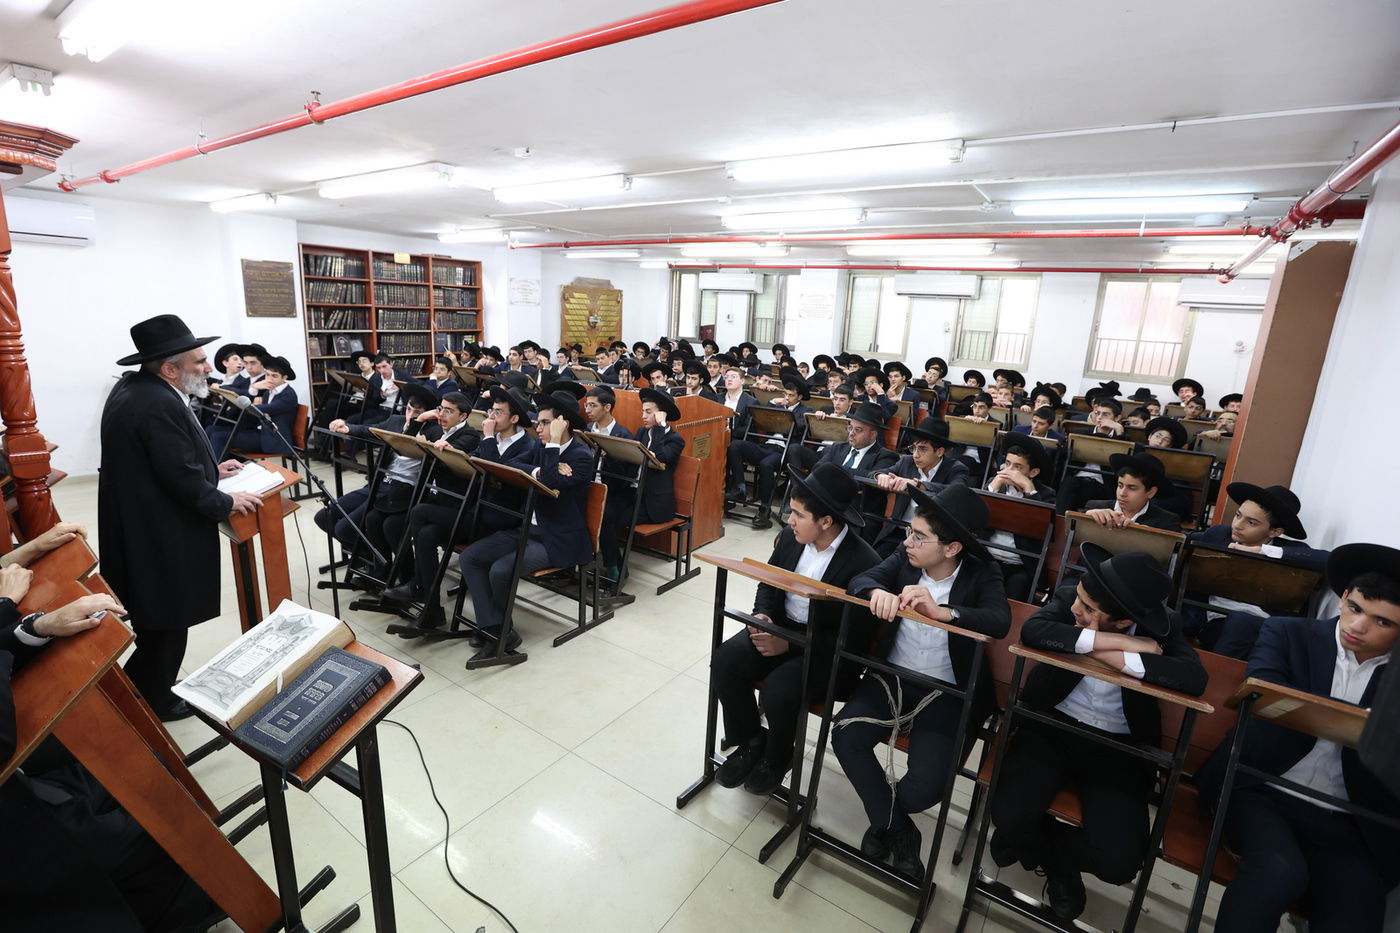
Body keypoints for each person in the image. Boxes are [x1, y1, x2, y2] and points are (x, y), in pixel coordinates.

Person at [989, 543, 1208, 920]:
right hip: (1051, 727)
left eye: (1089, 611)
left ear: (1124, 619)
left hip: (1118, 748)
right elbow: (1036, 630)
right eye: (1079, 601)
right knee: (1007, 815)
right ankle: (1054, 864)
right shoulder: (1073, 596)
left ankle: (1044, 851)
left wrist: (1097, 650)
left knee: (1119, 862)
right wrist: (1125, 644)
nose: (1076, 610)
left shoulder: (1163, 625)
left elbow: (1193, 678)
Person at [1197, 543, 1400, 933]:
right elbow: (1264, 691)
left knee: (1357, 906)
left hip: (1348, 817)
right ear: (1343, 597)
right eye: (1355, 608)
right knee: (1278, 872)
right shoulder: (1289, 632)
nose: (1358, 626)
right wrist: (1367, 725)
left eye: (1383, 622)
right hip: (1262, 789)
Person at [835, 485, 1010, 877]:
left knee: (925, 788)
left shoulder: (983, 572)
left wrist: (945, 613)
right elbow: (862, 579)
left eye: (919, 537)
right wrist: (878, 591)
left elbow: (999, 621)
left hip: (947, 691)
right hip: (893, 677)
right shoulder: (904, 557)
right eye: (909, 532)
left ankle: (885, 819)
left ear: (951, 549)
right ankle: (899, 831)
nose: (907, 541)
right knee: (846, 735)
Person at [101, 315, 263, 721]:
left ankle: (145, 693)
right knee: (165, 619)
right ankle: (149, 701)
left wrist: (212, 470)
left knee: (161, 619)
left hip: (145, 525)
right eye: (199, 362)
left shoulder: (141, 389)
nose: (209, 368)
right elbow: (174, 473)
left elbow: (169, 458)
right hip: (158, 532)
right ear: (170, 368)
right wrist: (223, 503)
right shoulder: (154, 401)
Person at [711, 464, 880, 796]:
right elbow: (768, 582)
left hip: (828, 650)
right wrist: (763, 616)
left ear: (826, 522)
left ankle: (777, 756)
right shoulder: (791, 537)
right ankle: (751, 741)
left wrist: (788, 645)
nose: (788, 520)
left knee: (778, 690)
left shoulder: (864, 562)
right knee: (726, 660)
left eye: (798, 514)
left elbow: (854, 640)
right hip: (784, 629)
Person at [457, 390, 593, 662]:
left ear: (561, 424)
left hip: (554, 538)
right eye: (538, 423)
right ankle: (499, 629)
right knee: (470, 557)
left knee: (499, 571)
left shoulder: (581, 456)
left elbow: (553, 484)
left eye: (544, 423)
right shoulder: (541, 449)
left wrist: (553, 446)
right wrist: (540, 470)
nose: (537, 428)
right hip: (526, 529)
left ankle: (496, 635)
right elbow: (511, 464)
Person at [1182, 483, 1328, 656]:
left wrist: (1263, 551)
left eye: (1251, 522)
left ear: (1274, 532)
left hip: (1250, 626)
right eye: (1238, 515)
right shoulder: (1219, 534)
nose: (1237, 525)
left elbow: (1328, 560)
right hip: (1203, 613)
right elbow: (1183, 537)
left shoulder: (1292, 551)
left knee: (1240, 623)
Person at [597, 388, 684, 587]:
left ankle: (614, 572)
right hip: (632, 492)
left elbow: (660, 457)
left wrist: (661, 426)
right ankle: (615, 566)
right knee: (602, 513)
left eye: (648, 411)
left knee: (608, 519)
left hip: (653, 502)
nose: (643, 416)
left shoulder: (676, 439)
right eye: (642, 411)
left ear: (662, 414)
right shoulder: (642, 432)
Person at [872, 418, 970, 556]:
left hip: (930, 539)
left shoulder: (956, 468)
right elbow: (877, 472)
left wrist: (918, 485)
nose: (915, 454)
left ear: (940, 451)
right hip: (898, 531)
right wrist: (880, 476)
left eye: (922, 449)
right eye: (913, 448)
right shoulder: (906, 461)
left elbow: (958, 491)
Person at [726, 372, 811, 529]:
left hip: (784, 450)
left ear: (799, 397)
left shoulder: (805, 410)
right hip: (767, 446)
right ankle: (740, 487)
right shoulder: (776, 405)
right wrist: (772, 403)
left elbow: (799, 427)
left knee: (766, 464)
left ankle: (765, 509)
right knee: (736, 445)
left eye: (791, 395)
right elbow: (761, 419)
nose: (787, 397)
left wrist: (785, 412)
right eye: (785, 393)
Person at [984, 432, 1057, 600]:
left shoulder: (1045, 494)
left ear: (1033, 472)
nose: (1009, 471)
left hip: (1020, 564)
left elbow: (1043, 530)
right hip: (987, 556)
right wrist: (991, 491)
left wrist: (1029, 491)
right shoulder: (994, 484)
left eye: (1017, 467)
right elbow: (977, 524)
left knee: (1016, 589)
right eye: (1007, 464)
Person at [207, 354, 299, 458]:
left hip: (274, 440)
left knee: (219, 437)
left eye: (274, 376)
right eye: (267, 375)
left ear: (285, 377)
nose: (269, 379)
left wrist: (254, 399)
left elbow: (260, 410)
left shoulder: (288, 395)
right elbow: (255, 413)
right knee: (212, 429)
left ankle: (216, 471)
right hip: (260, 433)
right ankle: (211, 465)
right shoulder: (268, 392)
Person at [1082, 452, 1182, 532]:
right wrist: (1086, 518)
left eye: (1132, 488)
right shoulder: (1094, 507)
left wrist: (1140, 534)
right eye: (1120, 485)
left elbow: (1164, 555)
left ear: (1151, 492)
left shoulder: (1166, 522)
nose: (1122, 493)